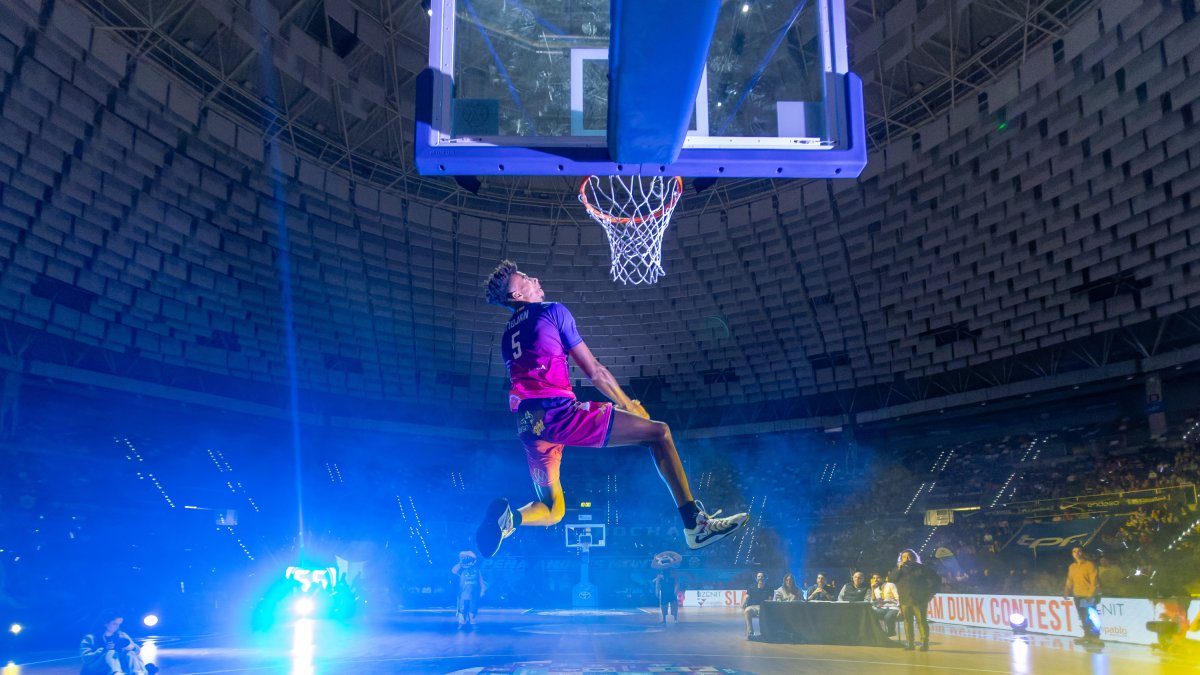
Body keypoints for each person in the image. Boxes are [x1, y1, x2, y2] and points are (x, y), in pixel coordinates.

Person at [477, 262, 748, 557]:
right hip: (557, 412)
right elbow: (595, 372)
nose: (536, 278)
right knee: (659, 433)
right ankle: (695, 525)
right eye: (527, 278)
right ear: (516, 294)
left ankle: (511, 519)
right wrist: (628, 404)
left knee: (554, 509)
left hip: (529, 426)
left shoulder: (507, 337)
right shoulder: (552, 311)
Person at [893, 549, 938, 651]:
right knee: (907, 622)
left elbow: (935, 580)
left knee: (921, 622)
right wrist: (898, 569)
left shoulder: (922, 568)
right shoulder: (899, 569)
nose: (906, 559)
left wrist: (930, 594)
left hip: (920, 600)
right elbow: (892, 579)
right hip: (905, 599)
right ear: (901, 559)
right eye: (904, 557)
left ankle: (924, 643)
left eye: (909, 556)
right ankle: (910, 643)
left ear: (914, 557)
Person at [79, 612, 151, 675]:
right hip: (98, 667)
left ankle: (137, 672)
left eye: (119, 624)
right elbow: (86, 658)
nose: (117, 627)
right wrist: (103, 650)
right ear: (105, 623)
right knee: (110, 652)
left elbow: (137, 651)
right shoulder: (90, 638)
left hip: (120, 666)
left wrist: (132, 647)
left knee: (130, 653)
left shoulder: (122, 635)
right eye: (115, 624)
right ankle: (116, 673)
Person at [1063, 546, 1103, 646]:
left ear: (1083, 553)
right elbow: (1070, 580)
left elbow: (1094, 581)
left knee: (1091, 615)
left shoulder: (1090, 565)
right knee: (1083, 616)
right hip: (1077, 595)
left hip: (1088, 595)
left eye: (1079, 551)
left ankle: (1095, 637)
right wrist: (1066, 591)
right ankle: (1087, 635)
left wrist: (1091, 594)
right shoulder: (1072, 567)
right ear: (1072, 554)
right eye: (1074, 551)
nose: (1077, 553)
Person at [451, 550, 486, 629]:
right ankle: (461, 623)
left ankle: (473, 623)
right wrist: (461, 562)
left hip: (474, 594)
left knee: (472, 610)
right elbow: (453, 570)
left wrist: (483, 590)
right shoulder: (462, 570)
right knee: (462, 610)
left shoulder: (477, 570)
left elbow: (481, 581)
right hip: (463, 595)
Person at [742, 572, 772, 639]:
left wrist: (763, 607)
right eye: (759, 576)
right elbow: (746, 596)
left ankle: (763, 633)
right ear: (756, 578)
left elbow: (770, 601)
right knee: (747, 611)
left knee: (761, 611)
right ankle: (750, 632)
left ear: (765, 578)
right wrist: (743, 603)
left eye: (762, 576)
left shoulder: (769, 588)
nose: (760, 578)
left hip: (763, 607)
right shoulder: (751, 587)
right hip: (752, 607)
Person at [870, 572, 901, 636]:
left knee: (888, 617)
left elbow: (898, 597)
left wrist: (901, 609)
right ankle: (879, 633)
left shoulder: (890, 585)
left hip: (894, 607)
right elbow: (873, 601)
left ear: (884, 578)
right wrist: (872, 589)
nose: (875, 580)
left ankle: (891, 632)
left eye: (878, 577)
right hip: (883, 608)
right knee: (871, 615)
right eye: (874, 578)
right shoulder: (876, 589)